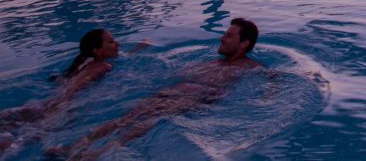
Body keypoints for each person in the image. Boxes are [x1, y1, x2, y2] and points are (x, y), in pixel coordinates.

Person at [56, 18, 261, 159]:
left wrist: (267, 95)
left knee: (143, 124)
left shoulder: (250, 66)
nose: (221, 38)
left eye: (229, 36)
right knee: (125, 118)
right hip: (174, 91)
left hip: (195, 98)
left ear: (244, 44)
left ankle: (94, 155)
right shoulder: (214, 62)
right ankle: (73, 147)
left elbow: (272, 81)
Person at [0, 29, 123, 153]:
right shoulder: (103, 66)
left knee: (9, 121)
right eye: (111, 42)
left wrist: (138, 48)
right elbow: (75, 86)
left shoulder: (82, 63)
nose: (118, 44)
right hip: (62, 104)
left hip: (42, 103)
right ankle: (8, 147)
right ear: (98, 51)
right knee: (33, 135)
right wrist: (62, 104)